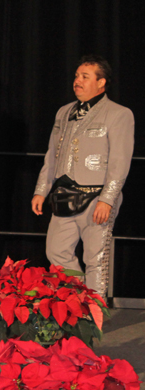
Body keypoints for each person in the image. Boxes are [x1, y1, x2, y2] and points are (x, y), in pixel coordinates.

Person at [32, 54, 134, 298]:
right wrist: (41, 190)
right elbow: (51, 155)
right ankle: (76, 303)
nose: (77, 81)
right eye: (77, 76)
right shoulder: (64, 112)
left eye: (84, 77)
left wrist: (107, 199)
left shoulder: (119, 114)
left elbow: (120, 161)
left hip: (96, 196)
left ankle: (94, 316)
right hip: (64, 194)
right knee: (56, 252)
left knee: (95, 259)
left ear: (101, 82)